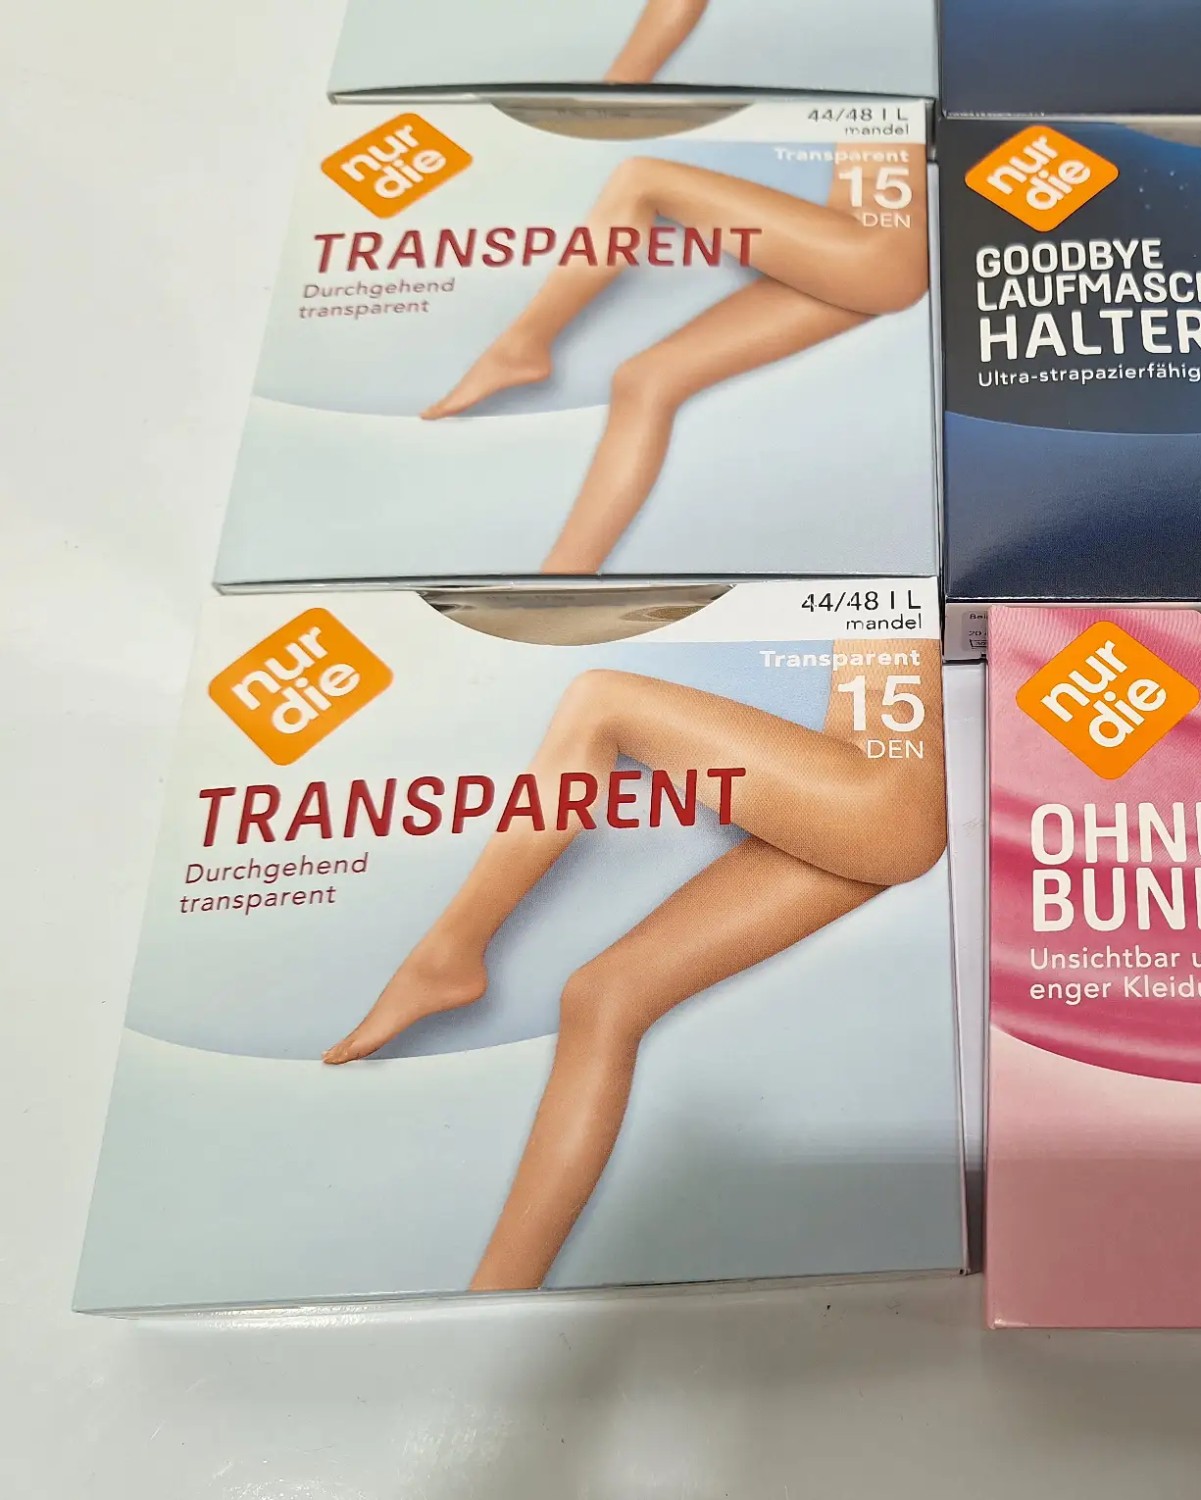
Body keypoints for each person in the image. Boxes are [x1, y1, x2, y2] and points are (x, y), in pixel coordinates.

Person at [324, 647, 948, 1292]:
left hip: (881, 796)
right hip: (862, 810)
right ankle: (494, 1299)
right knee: (602, 997)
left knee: (601, 701)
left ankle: (444, 955)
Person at [422, 146, 928, 573]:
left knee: (642, 179)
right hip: (849, 260)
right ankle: (561, 579)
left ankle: (520, 345)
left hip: (873, 252)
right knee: (646, 380)